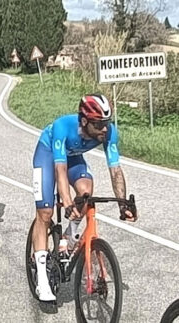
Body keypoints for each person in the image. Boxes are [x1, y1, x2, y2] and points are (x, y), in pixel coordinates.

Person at [31, 94, 138, 301]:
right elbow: (59, 170)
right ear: (84, 121)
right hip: (47, 153)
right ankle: (42, 280)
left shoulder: (108, 133)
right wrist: (67, 201)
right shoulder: (63, 126)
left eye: (107, 123)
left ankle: (68, 238)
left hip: (72, 157)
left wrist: (123, 203)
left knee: (86, 191)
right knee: (45, 212)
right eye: (99, 125)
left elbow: (115, 170)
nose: (105, 129)